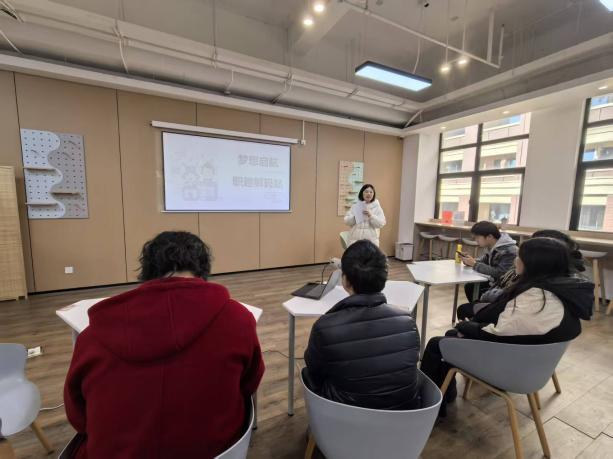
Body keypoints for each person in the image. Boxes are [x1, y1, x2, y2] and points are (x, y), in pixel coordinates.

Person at [64, 231, 264, 459]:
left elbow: (78, 418)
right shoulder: (238, 319)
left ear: (147, 270)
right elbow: (250, 383)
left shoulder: (92, 337)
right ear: (203, 269)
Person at [421, 237, 594, 416]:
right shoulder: (564, 291)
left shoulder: (537, 298)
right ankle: (445, 394)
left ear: (534, 264)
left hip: (511, 368)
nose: (515, 260)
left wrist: (467, 326)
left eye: (520, 257)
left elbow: (497, 334)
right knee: (453, 335)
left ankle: (428, 405)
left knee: (438, 343)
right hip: (533, 364)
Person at [303, 240, 420, 410]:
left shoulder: (325, 327)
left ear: (345, 281)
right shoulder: (408, 322)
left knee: (308, 375)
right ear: (384, 278)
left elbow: (314, 370)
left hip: (347, 418)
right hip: (406, 418)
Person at [457, 229, 586, 321]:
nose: (517, 258)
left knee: (466, 310)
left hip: (502, 312)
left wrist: (475, 265)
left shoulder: (533, 286)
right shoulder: (549, 279)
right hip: (501, 303)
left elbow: (503, 287)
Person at [459, 221, 518, 301]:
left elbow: (500, 273)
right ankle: (478, 306)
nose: (476, 240)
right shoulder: (493, 246)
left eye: (477, 237)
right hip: (495, 282)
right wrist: (469, 260)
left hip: (503, 287)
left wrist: (474, 264)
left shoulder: (509, 251)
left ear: (489, 236)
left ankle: (481, 307)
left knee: (471, 288)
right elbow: (484, 260)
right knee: (470, 286)